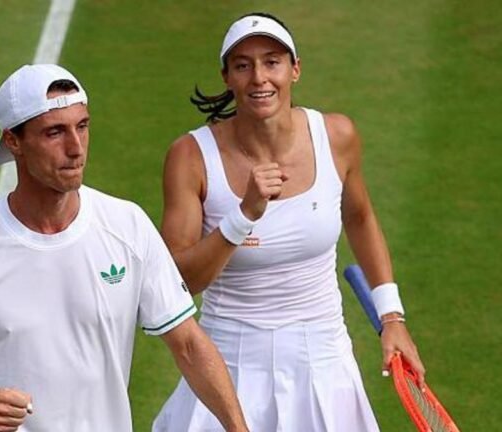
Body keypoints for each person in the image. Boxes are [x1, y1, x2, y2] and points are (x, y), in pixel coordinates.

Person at [0, 64, 249, 432]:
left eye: (82, 126)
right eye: (55, 132)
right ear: (14, 141)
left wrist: (239, 428)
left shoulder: (128, 226)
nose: (75, 148)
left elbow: (188, 343)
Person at [152, 13, 425, 432]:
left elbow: (360, 216)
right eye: (243, 65)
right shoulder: (190, 157)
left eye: (272, 62)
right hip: (228, 364)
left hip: (323, 360)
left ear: (294, 69)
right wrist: (241, 217)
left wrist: (393, 318)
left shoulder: (337, 136)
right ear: (227, 77)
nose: (259, 77)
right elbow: (182, 280)